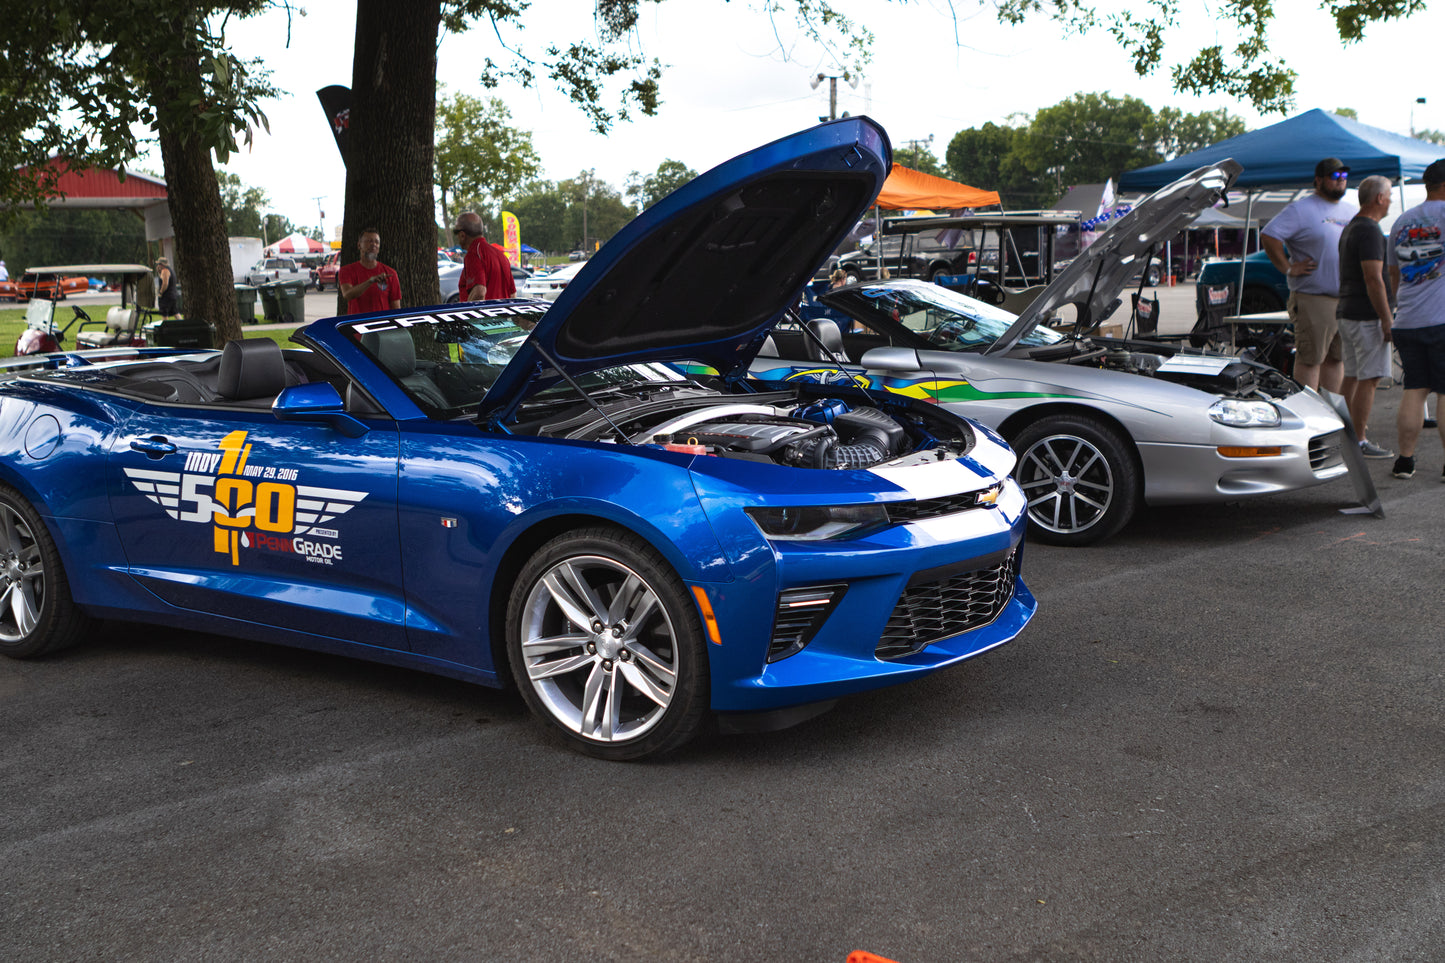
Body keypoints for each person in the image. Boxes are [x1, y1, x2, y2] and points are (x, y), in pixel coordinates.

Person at [1261, 157, 1357, 393]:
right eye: (1335, 177)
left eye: (1344, 177)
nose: (1340, 181)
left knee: (1336, 359)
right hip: (1314, 297)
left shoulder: (1351, 210)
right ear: (1318, 180)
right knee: (1310, 359)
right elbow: (1269, 235)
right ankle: (1308, 415)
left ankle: (1332, 414)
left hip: (1345, 299)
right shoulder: (1301, 209)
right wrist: (1288, 268)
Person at [1388, 158, 1445, 479]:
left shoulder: (1401, 221)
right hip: (1442, 319)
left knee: (1415, 389)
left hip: (1407, 319)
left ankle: (1405, 461)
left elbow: (1394, 273)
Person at [1335, 175, 1395, 458]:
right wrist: (1386, 317)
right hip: (1366, 316)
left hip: (1348, 312)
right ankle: (1358, 439)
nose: (1392, 200)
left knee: (1354, 376)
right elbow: (1374, 278)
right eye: (1390, 195)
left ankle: (1346, 436)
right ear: (1379, 199)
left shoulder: (1351, 227)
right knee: (1369, 379)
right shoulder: (1370, 230)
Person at [453, 211, 516, 302]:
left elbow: (479, 292)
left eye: (456, 232)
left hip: (484, 316)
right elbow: (513, 295)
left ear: (462, 235)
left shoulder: (474, 254)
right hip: (503, 315)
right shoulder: (501, 256)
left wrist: (465, 313)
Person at [337, 227, 401, 315]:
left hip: (383, 326)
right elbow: (347, 294)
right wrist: (370, 281)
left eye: (376, 242)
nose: (373, 244)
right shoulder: (346, 271)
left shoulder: (390, 273)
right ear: (359, 245)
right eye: (369, 241)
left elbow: (396, 308)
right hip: (357, 325)